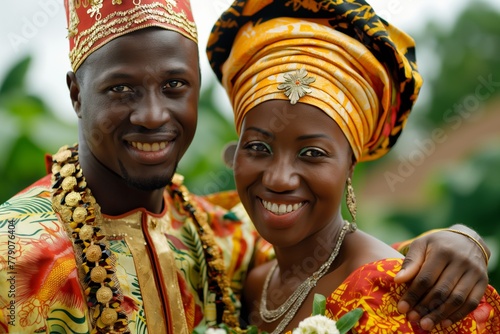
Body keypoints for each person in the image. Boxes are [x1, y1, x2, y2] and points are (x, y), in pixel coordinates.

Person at [0, 0, 493, 333]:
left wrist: (460, 242)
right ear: (76, 94)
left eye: (174, 86)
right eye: (121, 88)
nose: (152, 115)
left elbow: (340, 263)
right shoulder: (10, 254)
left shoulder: (215, 236)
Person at [206, 0, 500, 333]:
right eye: (258, 147)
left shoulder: (401, 293)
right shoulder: (247, 278)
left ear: (350, 164)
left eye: (312, 153)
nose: (278, 178)